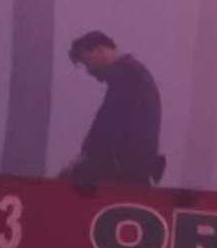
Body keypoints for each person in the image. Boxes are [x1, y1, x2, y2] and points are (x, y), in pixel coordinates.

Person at [62, 31, 164, 187]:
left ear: (100, 50)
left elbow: (106, 123)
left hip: (126, 172)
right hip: (137, 169)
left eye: (87, 62)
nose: (89, 71)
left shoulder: (126, 75)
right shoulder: (133, 73)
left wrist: (83, 158)